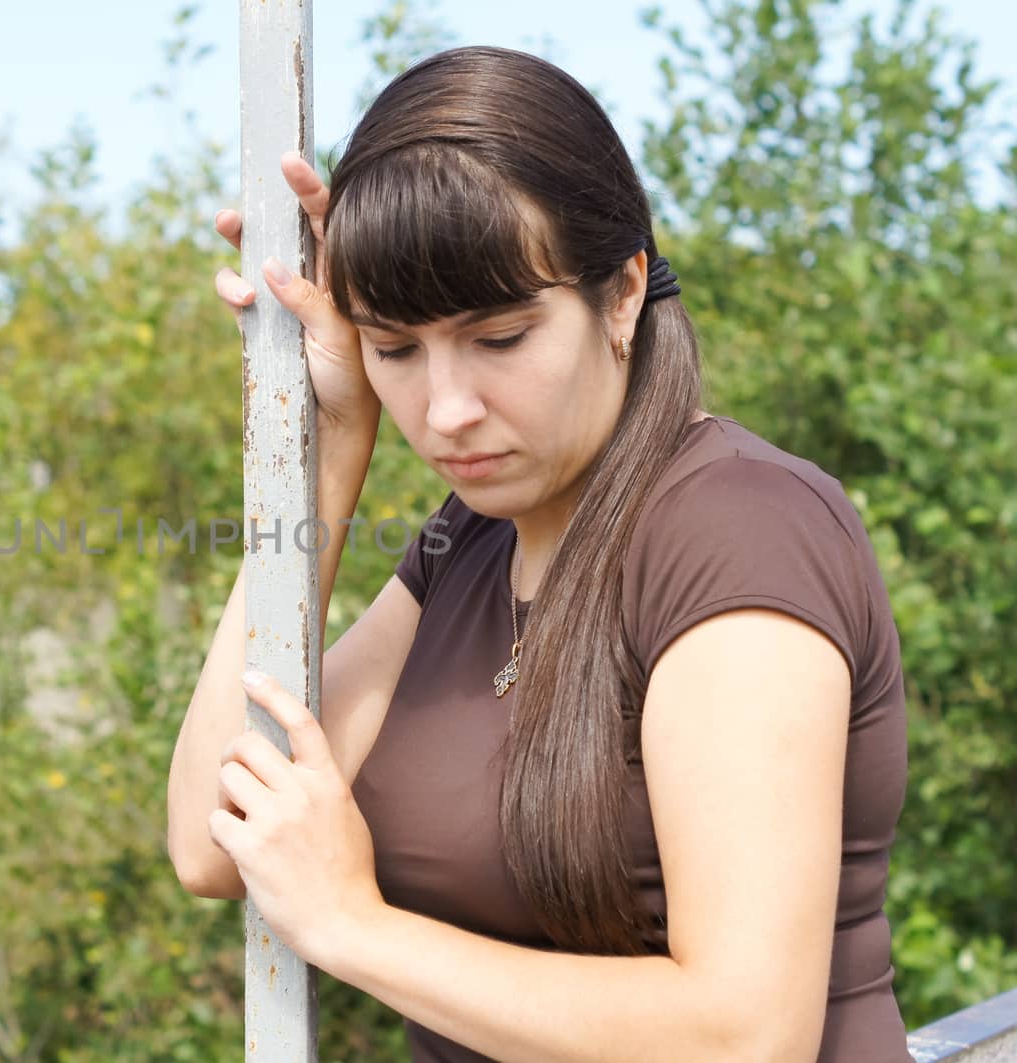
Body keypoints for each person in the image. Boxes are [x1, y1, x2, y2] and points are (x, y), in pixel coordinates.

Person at [164, 45, 912, 1063]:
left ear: (620, 295)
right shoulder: (469, 540)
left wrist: (352, 924)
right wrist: (327, 446)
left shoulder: (736, 530)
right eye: (395, 348)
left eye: (500, 338)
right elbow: (216, 838)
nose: (447, 409)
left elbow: (745, 1036)